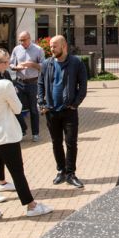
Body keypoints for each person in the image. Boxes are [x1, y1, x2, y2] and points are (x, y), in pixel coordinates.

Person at [0, 47, 52, 222]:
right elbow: (17, 108)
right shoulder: (5, 84)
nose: (9, 64)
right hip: (5, 134)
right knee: (17, 171)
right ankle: (31, 206)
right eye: (5, 61)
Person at [37, 35, 87, 189]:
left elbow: (83, 86)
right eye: (51, 46)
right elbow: (40, 84)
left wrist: (75, 104)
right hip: (52, 110)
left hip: (69, 111)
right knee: (56, 143)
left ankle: (71, 173)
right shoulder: (47, 64)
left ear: (64, 46)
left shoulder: (76, 63)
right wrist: (41, 102)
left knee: (71, 143)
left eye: (54, 46)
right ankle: (61, 171)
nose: (51, 49)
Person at [10, 31, 45, 142]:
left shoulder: (38, 49)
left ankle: (35, 133)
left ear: (29, 38)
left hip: (33, 82)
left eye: (24, 40)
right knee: (16, 108)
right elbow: (10, 64)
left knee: (33, 110)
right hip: (19, 82)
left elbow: (43, 66)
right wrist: (16, 67)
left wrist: (32, 64)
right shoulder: (16, 49)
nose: (21, 42)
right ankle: (23, 129)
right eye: (20, 40)